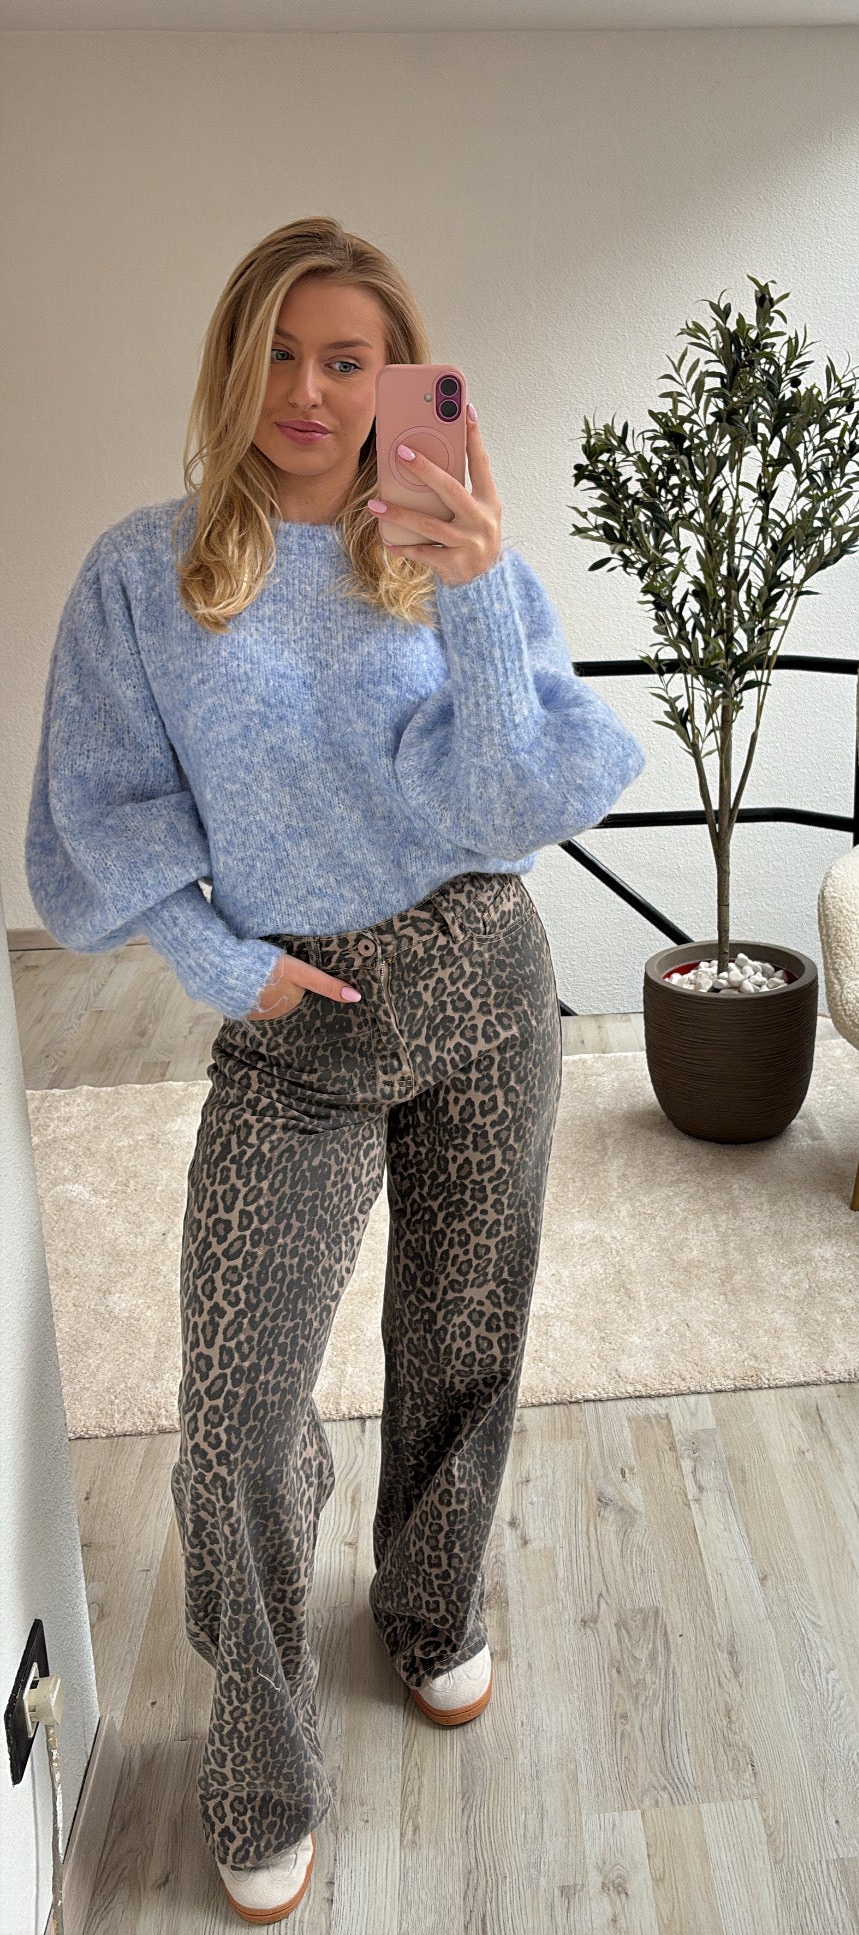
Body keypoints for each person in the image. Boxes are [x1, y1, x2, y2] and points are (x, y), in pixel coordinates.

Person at [25, 214, 647, 1924]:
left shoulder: (451, 555)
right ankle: (260, 1747)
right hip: (295, 1023)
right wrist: (231, 969)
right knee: (235, 1407)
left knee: (466, 1330)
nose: (308, 391)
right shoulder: (147, 576)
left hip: (483, 978)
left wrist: (475, 593)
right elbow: (95, 829)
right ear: (233, 367)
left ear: (398, 378)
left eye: (348, 359)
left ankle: (432, 1605)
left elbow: (520, 799)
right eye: (280, 355)